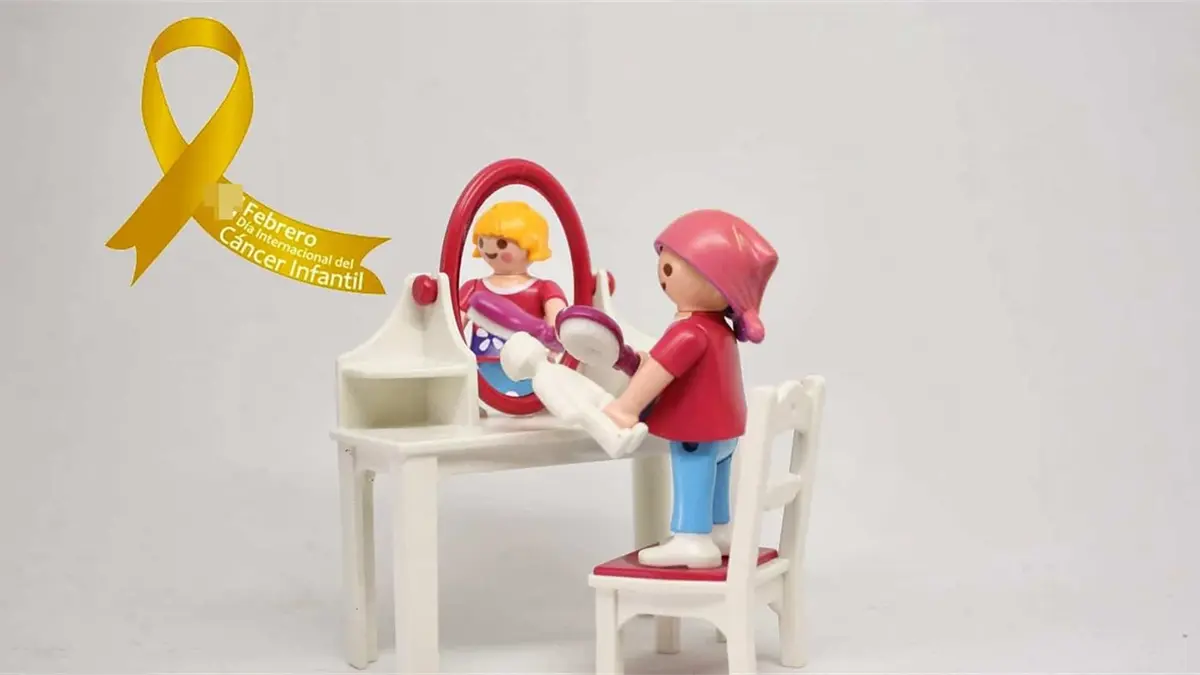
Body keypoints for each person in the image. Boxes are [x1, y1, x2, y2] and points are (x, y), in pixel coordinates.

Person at [603, 209, 779, 569]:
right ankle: (718, 531)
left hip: (695, 431)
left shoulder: (689, 331)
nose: (662, 277)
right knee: (716, 483)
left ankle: (691, 539)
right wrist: (640, 361)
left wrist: (626, 407)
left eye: (669, 268)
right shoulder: (720, 329)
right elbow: (671, 367)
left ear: (714, 280)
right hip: (725, 431)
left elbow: (660, 372)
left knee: (692, 477)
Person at [459, 201, 567, 397]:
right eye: (482, 242)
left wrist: (554, 344)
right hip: (482, 367)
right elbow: (453, 325)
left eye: (502, 244)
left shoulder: (543, 289)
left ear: (531, 246)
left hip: (529, 369)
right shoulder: (473, 288)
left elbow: (559, 325)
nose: (490, 250)